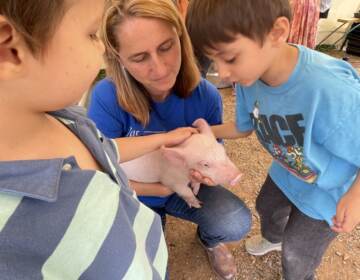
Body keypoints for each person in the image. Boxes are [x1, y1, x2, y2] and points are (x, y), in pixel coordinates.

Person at [0, 0, 198, 278]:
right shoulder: (20, 233)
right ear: (9, 49)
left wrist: (165, 138)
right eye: (92, 34)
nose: (102, 48)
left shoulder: (63, 116)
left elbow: (104, 149)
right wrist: (159, 190)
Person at [186, 0, 360, 279]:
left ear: (277, 32)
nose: (223, 72)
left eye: (229, 58)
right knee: (266, 207)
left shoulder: (330, 90)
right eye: (214, 60)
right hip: (288, 169)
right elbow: (244, 127)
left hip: (328, 191)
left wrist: (356, 197)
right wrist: (202, 131)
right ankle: (274, 239)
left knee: (297, 253)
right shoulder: (249, 77)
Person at [87, 1, 252, 279]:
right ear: (118, 57)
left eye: (166, 47)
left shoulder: (206, 95)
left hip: (182, 184)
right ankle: (150, 232)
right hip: (132, 194)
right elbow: (100, 170)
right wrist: (155, 189)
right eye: (140, 57)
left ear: (180, 36)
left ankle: (209, 240)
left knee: (234, 221)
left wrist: (206, 176)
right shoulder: (106, 97)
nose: (161, 68)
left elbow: (211, 152)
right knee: (144, 268)